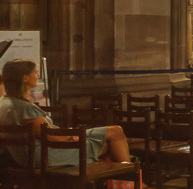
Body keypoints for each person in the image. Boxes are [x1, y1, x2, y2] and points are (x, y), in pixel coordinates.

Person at [0, 58, 132, 165]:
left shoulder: (3, 103)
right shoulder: (26, 108)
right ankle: (132, 183)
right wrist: (71, 137)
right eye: (35, 73)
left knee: (114, 132)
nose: (38, 75)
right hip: (45, 154)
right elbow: (50, 136)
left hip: (24, 155)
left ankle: (115, 187)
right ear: (25, 78)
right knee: (109, 145)